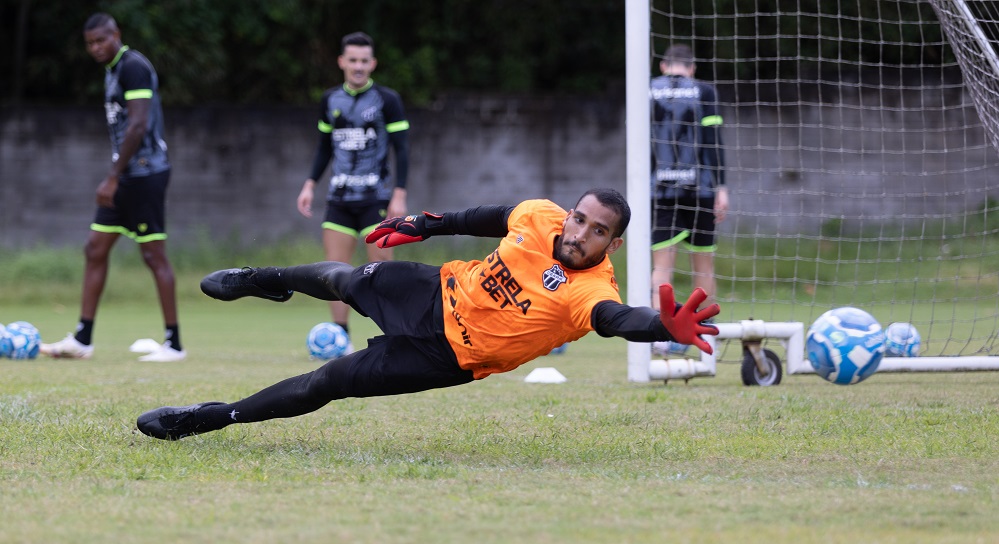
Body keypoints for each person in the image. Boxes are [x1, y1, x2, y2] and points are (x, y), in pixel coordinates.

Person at [136, 188, 720, 440]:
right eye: (580, 220)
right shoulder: (540, 215)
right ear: (567, 214)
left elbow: (618, 320)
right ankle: (258, 281)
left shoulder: (591, 289)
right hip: (432, 291)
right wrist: (421, 224)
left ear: (612, 245)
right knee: (339, 277)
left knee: (329, 381)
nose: (582, 234)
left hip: (446, 356)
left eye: (599, 232)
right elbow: (489, 216)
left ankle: (212, 418)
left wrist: (661, 327)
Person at [40, 13, 184, 362]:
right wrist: (117, 175)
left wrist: (113, 176)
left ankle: (174, 344)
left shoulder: (133, 66)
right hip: (125, 175)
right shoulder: (112, 71)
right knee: (95, 248)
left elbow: (137, 126)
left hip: (145, 173)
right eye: (90, 43)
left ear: (116, 34)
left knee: (153, 255)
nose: (95, 48)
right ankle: (83, 339)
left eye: (101, 40)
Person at [295, 31, 410, 353]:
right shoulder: (330, 99)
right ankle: (340, 338)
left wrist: (399, 194)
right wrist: (309, 184)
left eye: (364, 61)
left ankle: (394, 337)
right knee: (334, 273)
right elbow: (323, 147)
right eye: (352, 60)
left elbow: (402, 150)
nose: (358, 66)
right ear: (342, 62)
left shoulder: (388, 100)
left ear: (372, 63)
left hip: (376, 198)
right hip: (339, 200)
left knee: (381, 273)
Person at [649, 44, 729, 356]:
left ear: (663, 66)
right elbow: (714, 142)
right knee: (704, 266)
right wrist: (722, 187)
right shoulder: (705, 91)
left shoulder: (647, 90)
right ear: (692, 68)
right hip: (701, 191)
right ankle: (708, 336)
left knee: (661, 269)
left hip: (660, 191)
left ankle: (658, 336)